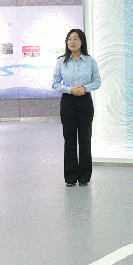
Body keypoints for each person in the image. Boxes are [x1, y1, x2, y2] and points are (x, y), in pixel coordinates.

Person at [52, 28, 101, 187]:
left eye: (75, 39)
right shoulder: (61, 61)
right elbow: (55, 84)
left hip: (85, 101)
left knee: (85, 139)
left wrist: (85, 88)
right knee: (70, 139)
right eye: (69, 39)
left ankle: (84, 177)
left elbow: (97, 82)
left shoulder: (90, 61)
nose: (72, 42)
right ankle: (70, 177)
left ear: (82, 42)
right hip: (68, 101)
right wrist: (70, 89)